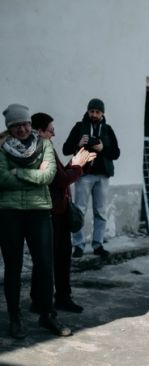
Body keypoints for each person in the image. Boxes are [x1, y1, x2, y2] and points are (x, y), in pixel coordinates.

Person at [0, 103, 71, 338]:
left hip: (39, 211)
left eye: (25, 124)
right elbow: (2, 178)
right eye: (16, 126)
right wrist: (34, 174)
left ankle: (48, 314)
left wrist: (18, 172)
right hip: (9, 213)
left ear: (31, 124)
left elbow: (48, 176)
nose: (22, 129)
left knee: (45, 266)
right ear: (9, 128)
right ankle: (15, 317)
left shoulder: (44, 144)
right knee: (13, 267)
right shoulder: (1, 146)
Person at [31, 112, 95, 313]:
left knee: (51, 258)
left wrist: (78, 162)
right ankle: (54, 299)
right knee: (55, 258)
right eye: (50, 130)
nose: (54, 133)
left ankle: (44, 299)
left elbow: (62, 174)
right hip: (53, 212)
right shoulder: (41, 149)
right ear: (39, 131)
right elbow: (61, 180)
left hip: (55, 210)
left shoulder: (43, 147)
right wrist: (77, 165)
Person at [63, 98, 120, 258]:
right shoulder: (79, 127)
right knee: (79, 211)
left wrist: (103, 148)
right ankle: (78, 245)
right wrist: (78, 144)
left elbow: (116, 153)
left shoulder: (107, 129)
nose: (94, 114)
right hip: (83, 174)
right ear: (87, 111)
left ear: (102, 113)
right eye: (92, 111)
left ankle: (98, 244)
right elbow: (66, 149)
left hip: (102, 176)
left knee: (100, 212)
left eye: (97, 112)